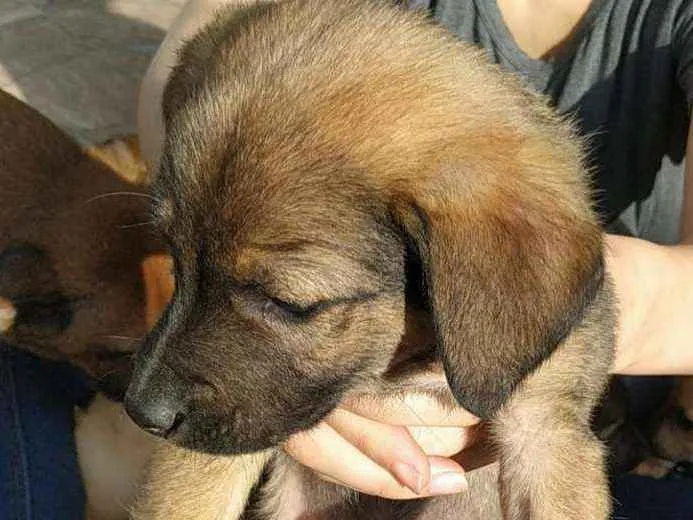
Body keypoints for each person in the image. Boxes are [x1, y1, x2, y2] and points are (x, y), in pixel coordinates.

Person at [136, 0, 693, 515]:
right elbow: (180, 74)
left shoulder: (501, 258)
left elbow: (548, 445)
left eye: (284, 300)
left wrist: (540, 327)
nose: (149, 398)